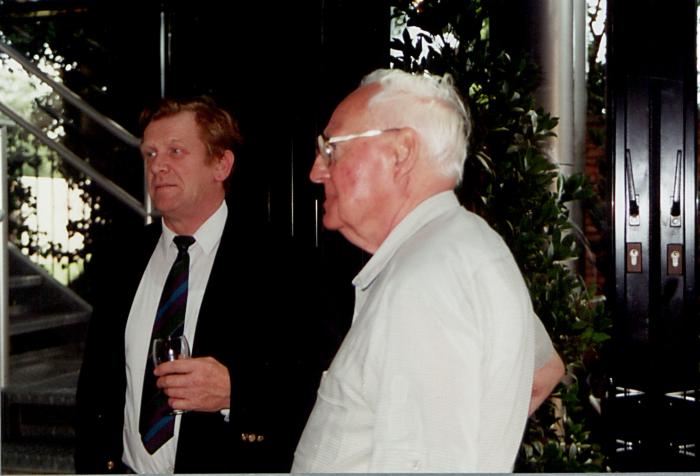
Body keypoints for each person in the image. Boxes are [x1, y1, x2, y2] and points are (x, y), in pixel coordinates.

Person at [292, 69, 563, 473]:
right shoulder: (465, 243)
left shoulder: (423, 280)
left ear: (401, 152)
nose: (316, 171)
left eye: (332, 148)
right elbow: (545, 369)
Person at [75, 96, 313, 473]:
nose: (158, 166)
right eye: (150, 154)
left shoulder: (282, 264)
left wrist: (236, 393)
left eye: (176, 151)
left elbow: (314, 386)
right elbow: (96, 387)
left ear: (221, 163)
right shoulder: (122, 257)